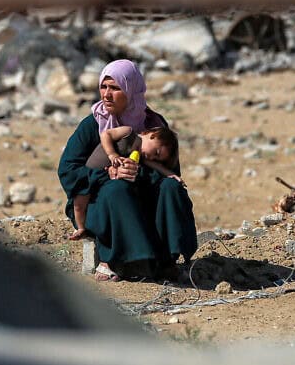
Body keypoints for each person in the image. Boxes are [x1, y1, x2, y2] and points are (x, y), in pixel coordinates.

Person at [57, 59, 197, 282]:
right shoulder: (93, 124)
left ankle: (165, 259)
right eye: (104, 87)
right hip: (95, 201)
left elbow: (169, 170)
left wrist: (139, 172)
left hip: (143, 198)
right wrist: (107, 174)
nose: (106, 95)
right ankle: (116, 260)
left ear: (132, 90)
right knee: (117, 189)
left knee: (171, 187)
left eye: (115, 88)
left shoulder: (154, 125)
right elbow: (67, 171)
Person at [69, 126, 182, 241]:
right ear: (152, 135)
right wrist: (112, 154)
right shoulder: (128, 132)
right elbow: (105, 135)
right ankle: (80, 227)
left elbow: (155, 165)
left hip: (101, 179)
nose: (152, 157)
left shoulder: (139, 154)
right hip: (88, 175)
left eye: (155, 158)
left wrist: (169, 174)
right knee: (79, 205)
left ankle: (83, 229)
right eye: (156, 152)